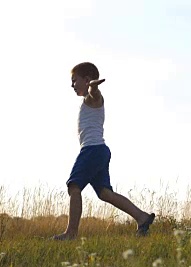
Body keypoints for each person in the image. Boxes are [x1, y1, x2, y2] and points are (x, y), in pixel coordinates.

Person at [52, 62, 155, 240]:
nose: (72, 85)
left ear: (86, 80)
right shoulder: (87, 103)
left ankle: (71, 234)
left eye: (74, 81)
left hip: (92, 150)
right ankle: (142, 217)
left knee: (74, 187)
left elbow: (95, 94)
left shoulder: (93, 98)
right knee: (104, 193)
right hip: (99, 151)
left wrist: (93, 88)